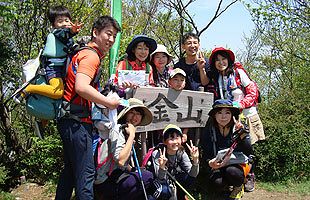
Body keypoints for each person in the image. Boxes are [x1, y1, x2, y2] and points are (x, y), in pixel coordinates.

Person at [55, 16, 121, 200]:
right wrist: (109, 103)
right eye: (108, 34)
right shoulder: (91, 56)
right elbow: (81, 87)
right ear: (95, 32)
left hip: (68, 120)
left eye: (114, 36)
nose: (111, 40)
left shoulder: (81, 53)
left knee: (70, 173)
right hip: (77, 123)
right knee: (86, 175)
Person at [208, 47, 265, 191]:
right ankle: (232, 175)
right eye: (217, 60)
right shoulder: (217, 78)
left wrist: (241, 104)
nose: (221, 62)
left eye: (223, 59)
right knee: (233, 144)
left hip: (246, 114)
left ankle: (250, 174)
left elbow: (252, 91)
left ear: (229, 60)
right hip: (229, 115)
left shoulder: (238, 72)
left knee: (248, 145)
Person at [13, 5, 82, 103]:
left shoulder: (67, 38)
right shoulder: (58, 33)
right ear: (54, 25)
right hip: (53, 68)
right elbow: (64, 34)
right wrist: (72, 31)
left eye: (67, 20)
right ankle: (28, 88)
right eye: (60, 21)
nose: (64, 23)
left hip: (62, 69)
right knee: (58, 92)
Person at [94, 98, 155, 200]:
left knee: (148, 195)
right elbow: (121, 161)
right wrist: (131, 136)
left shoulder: (125, 132)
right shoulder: (118, 129)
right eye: (132, 112)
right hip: (105, 181)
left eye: (138, 114)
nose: (135, 117)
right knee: (147, 176)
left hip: (115, 177)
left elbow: (124, 165)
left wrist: (134, 169)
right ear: (125, 113)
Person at [201, 99, 254, 200]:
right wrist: (210, 163)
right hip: (218, 165)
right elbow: (206, 154)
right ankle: (225, 188)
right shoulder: (209, 131)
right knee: (217, 183)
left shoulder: (239, 127)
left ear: (232, 115)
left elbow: (249, 151)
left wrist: (242, 134)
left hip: (237, 164)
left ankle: (239, 186)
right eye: (219, 112)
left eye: (227, 113)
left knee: (232, 172)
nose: (223, 116)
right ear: (214, 115)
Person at [150, 124, 199, 200]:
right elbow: (160, 178)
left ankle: (180, 195)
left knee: (189, 179)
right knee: (165, 190)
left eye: (177, 138)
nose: (175, 142)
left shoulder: (181, 152)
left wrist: (195, 161)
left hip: (174, 179)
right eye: (171, 139)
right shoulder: (157, 154)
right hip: (160, 183)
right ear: (164, 141)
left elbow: (192, 175)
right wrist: (162, 167)